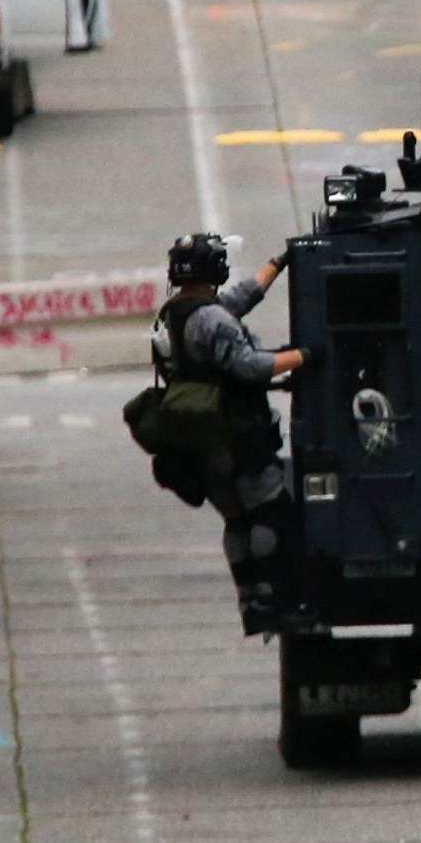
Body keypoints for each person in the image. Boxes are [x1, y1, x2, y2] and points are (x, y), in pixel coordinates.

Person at [148, 234, 305, 632]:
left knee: (235, 519)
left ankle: (250, 600)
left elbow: (240, 298)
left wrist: (279, 261)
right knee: (271, 512)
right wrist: (305, 355)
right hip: (238, 433)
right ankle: (274, 601)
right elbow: (249, 366)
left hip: (203, 435)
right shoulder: (211, 319)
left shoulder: (177, 312)